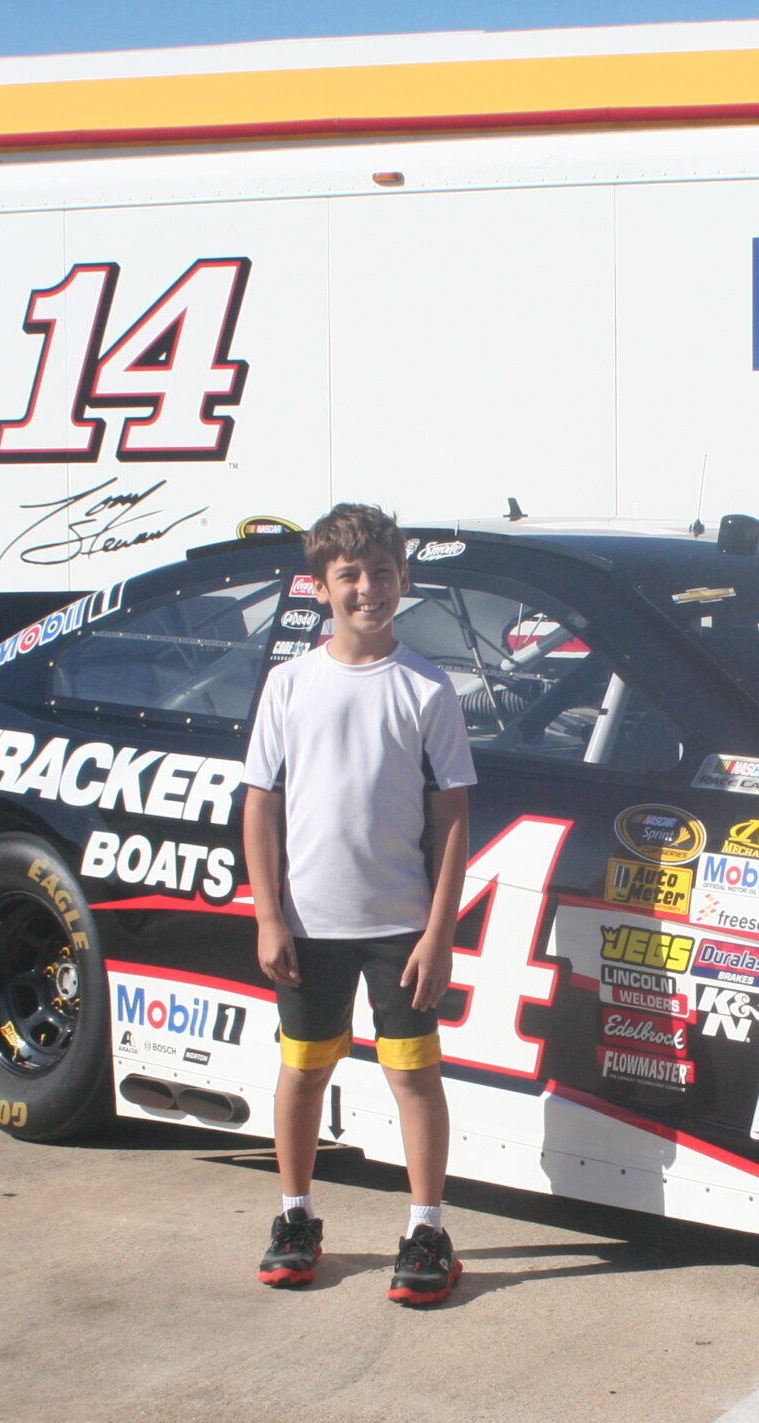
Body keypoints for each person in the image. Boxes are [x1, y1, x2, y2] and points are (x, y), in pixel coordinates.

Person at [241, 503, 476, 1301]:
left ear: (403, 581)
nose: (367, 589)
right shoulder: (288, 684)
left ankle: (427, 1229)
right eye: (350, 575)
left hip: (401, 929)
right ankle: (296, 1216)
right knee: (302, 1071)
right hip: (310, 928)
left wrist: (439, 933)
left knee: (413, 1077)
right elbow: (261, 806)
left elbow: (452, 821)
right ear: (321, 586)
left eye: (381, 573)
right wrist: (270, 915)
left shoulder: (428, 689)